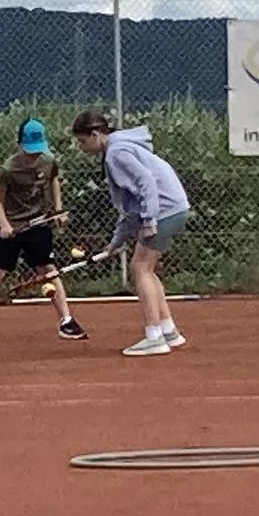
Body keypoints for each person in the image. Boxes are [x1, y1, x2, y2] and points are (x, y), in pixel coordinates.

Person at [70, 110, 190, 357]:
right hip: (174, 207)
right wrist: (116, 242)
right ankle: (168, 331)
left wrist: (149, 220)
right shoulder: (118, 148)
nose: (81, 147)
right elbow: (129, 207)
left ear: (95, 135)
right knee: (146, 267)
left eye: (82, 141)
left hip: (164, 210)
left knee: (140, 268)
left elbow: (146, 184)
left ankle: (154, 336)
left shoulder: (116, 153)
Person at [0, 118, 87, 344]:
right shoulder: (8, 170)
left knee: (48, 270)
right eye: (30, 151)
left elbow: (54, 180)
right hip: (11, 226)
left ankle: (66, 321)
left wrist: (58, 211)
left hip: (38, 225)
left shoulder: (48, 162)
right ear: (20, 145)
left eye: (37, 151)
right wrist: (4, 225)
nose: (33, 157)